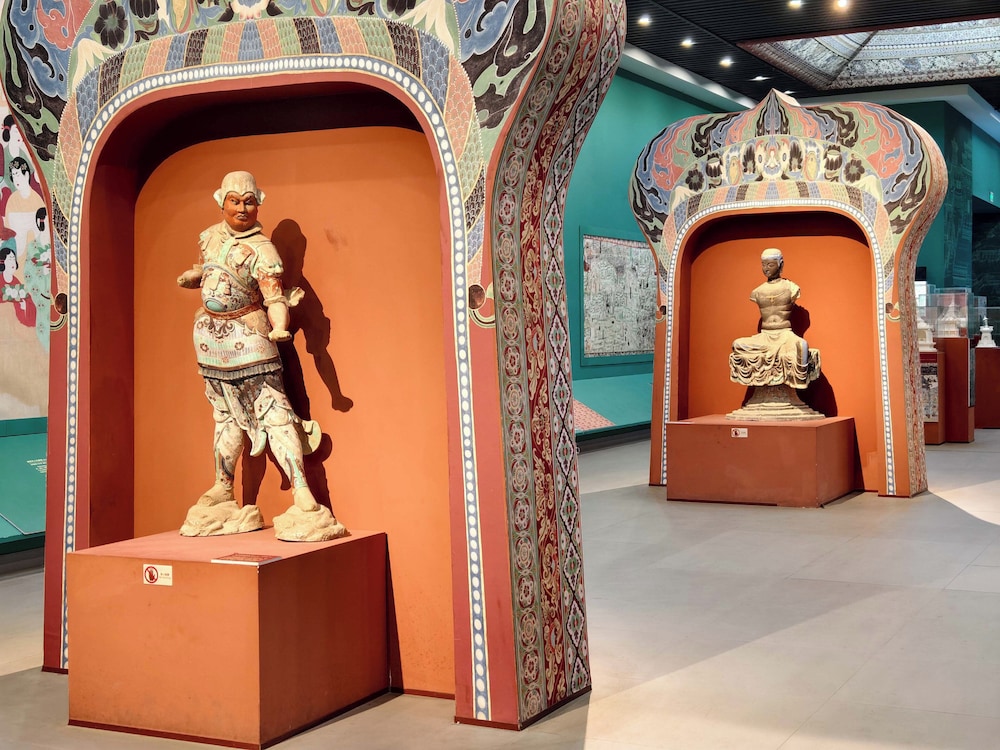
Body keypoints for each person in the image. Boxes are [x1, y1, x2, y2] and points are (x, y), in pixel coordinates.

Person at [176, 171, 346, 541]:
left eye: (249, 201)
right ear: (221, 201)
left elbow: (273, 297)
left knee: (276, 413)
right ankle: (223, 487)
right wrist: (194, 276)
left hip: (250, 337)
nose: (242, 208)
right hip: (210, 340)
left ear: (259, 203)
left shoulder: (263, 251)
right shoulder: (209, 236)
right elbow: (207, 269)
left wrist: (280, 325)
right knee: (225, 417)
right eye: (234, 201)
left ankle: (301, 490)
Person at [728, 248, 822, 420]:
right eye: (763, 265)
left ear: (781, 265)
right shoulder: (757, 291)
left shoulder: (791, 288)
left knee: (802, 346)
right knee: (737, 344)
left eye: (770, 265)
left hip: (785, 334)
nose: (766, 269)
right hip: (764, 336)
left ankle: (797, 383)